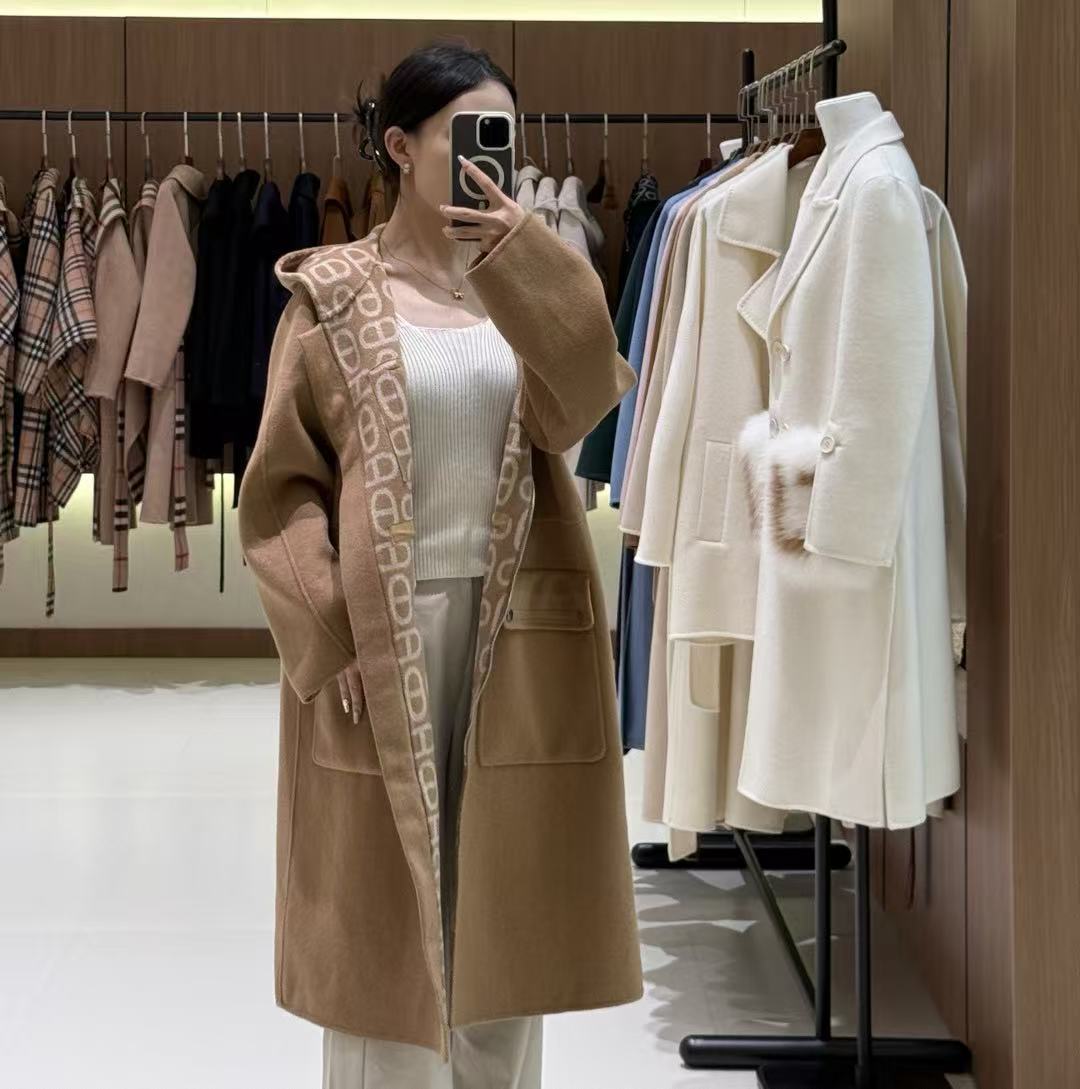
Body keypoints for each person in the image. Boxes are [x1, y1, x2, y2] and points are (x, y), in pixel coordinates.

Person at [236, 41, 644, 1089]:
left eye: (500, 138)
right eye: (464, 136)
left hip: (519, 632)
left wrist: (525, 261)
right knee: (383, 933)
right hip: (380, 635)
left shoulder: (523, 285)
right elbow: (279, 489)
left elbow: (583, 399)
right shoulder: (333, 295)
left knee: (505, 922)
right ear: (400, 147)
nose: (483, 159)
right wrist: (328, 634)